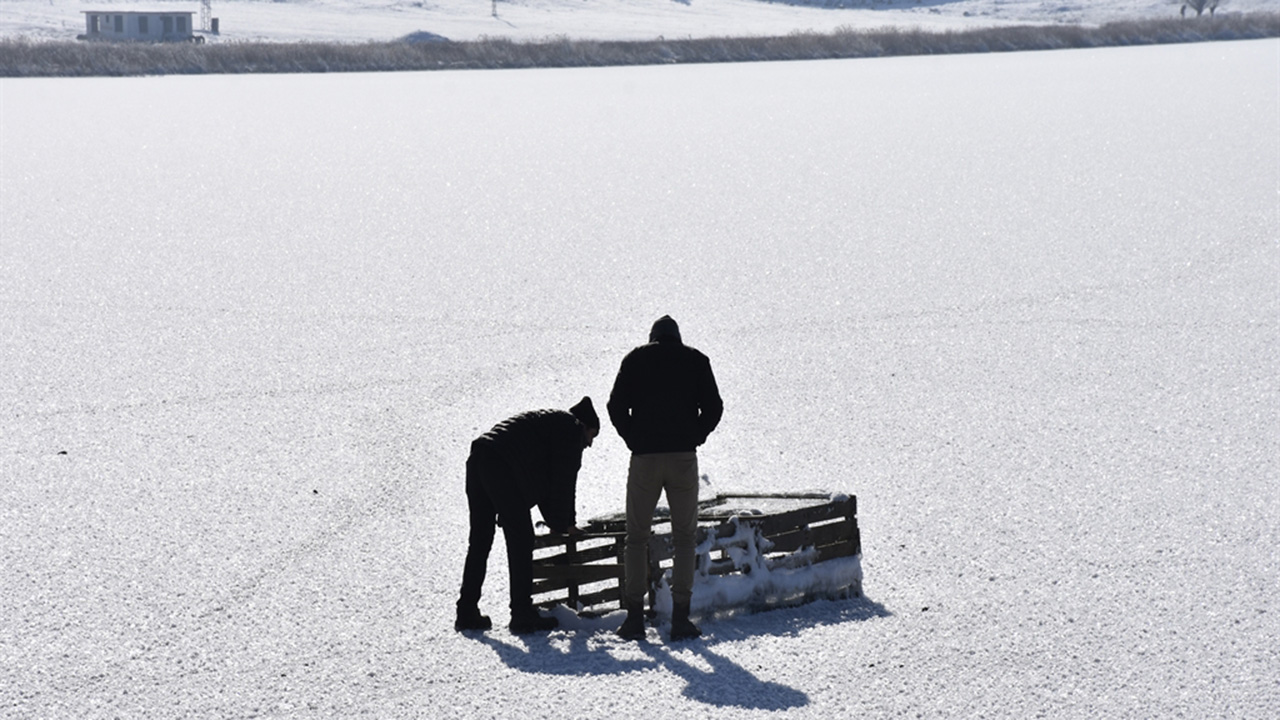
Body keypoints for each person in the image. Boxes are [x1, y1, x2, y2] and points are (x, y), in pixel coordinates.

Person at [608, 316, 723, 641]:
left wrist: (633, 438)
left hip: (644, 459)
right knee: (684, 538)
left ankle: (634, 620)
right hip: (683, 459)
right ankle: (681, 620)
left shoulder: (635, 360)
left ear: (653, 337)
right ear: (677, 337)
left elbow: (615, 405)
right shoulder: (696, 360)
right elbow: (714, 407)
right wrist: (695, 435)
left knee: (636, 537)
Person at [456, 397, 600, 634]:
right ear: (585, 426)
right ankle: (522, 614)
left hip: (480, 457)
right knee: (522, 540)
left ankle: (466, 611)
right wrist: (568, 524)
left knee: (480, 540)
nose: (589, 444)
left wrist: (558, 523)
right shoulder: (571, 430)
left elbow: (546, 485)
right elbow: (564, 480)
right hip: (502, 466)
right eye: (592, 436)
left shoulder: (550, 425)